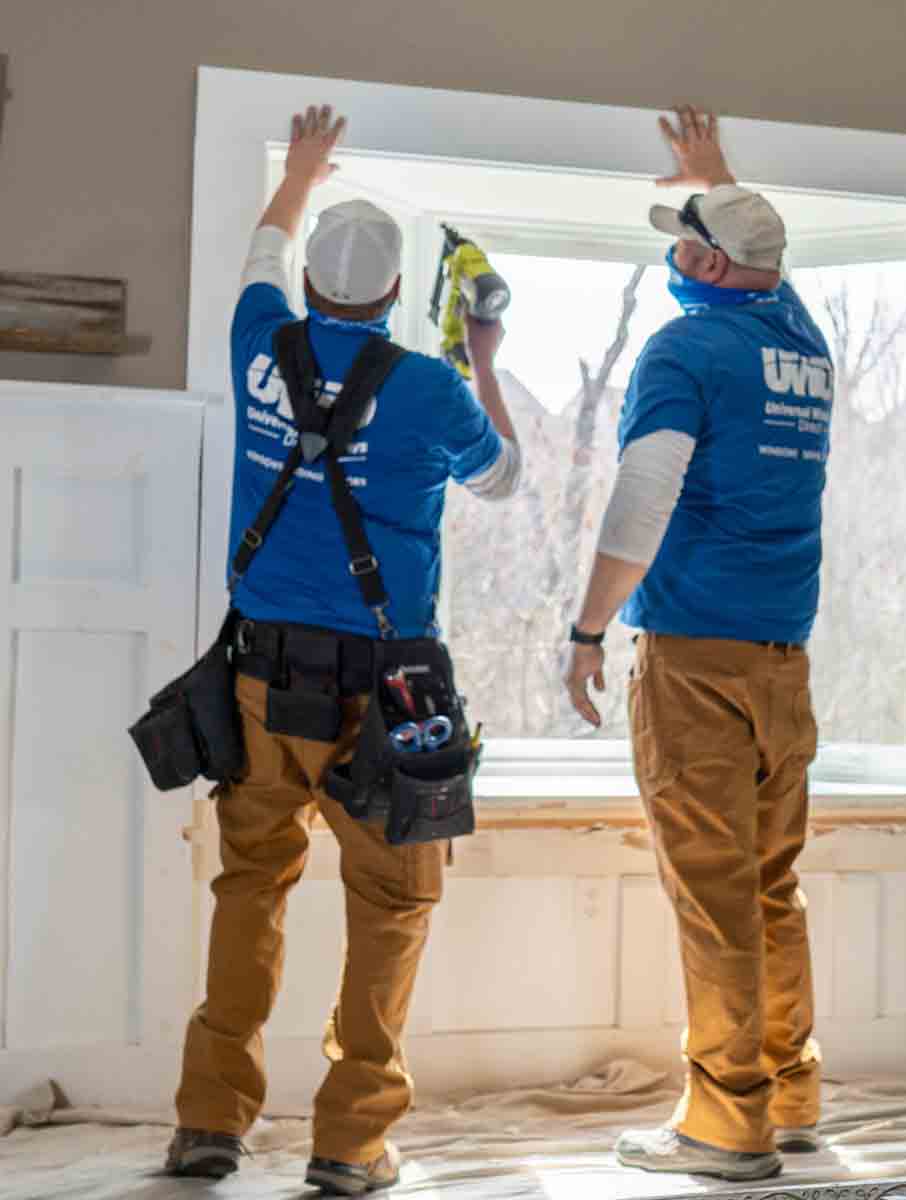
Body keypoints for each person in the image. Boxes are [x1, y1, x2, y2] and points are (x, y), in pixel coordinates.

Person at [166, 105, 520, 1196]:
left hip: (260, 679)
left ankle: (209, 1128)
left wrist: (301, 171)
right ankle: (351, 1146)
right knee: (395, 904)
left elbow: (262, 250)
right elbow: (503, 477)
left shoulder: (257, 337)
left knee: (249, 891)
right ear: (391, 297)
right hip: (387, 697)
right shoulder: (429, 387)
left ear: (315, 288)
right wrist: (480, 353)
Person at [564, 106, 833, 1183]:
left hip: (697, 662)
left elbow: (641, 501)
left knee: (713, 890)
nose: (671, 253)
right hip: (784, 663)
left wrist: (586, 628)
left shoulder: (684, 346)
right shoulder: (798, 340)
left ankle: (726, 1126)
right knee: (772, 885)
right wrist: (715, 175)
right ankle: (791, 1093)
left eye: (686, 240)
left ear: (715, 265)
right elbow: (766, 258)